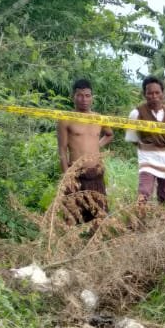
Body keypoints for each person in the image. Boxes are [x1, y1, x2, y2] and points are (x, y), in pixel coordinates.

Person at [55, 78, 113, 223]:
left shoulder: (99, 118)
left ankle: (96, 243)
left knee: (99, 215)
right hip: (76, 174)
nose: (84, 99)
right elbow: (62, 149)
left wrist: (95, 147)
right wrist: (66, 176)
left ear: (92, 97)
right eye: (80, 95)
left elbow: (109, 134)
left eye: (87, 96)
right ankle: (72, 244)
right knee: (73, 215)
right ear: (73, 96)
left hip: (96, 172)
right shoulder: (65, 119)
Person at [124, 76, 165, 206]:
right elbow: (133, 138)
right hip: (147, 158)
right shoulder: (136, 114)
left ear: (163, 94)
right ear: (145, 94)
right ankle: (138, 222)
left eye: (157, 93)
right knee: (144, 191)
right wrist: (149, 145)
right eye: (150, 93)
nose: (154, 96)